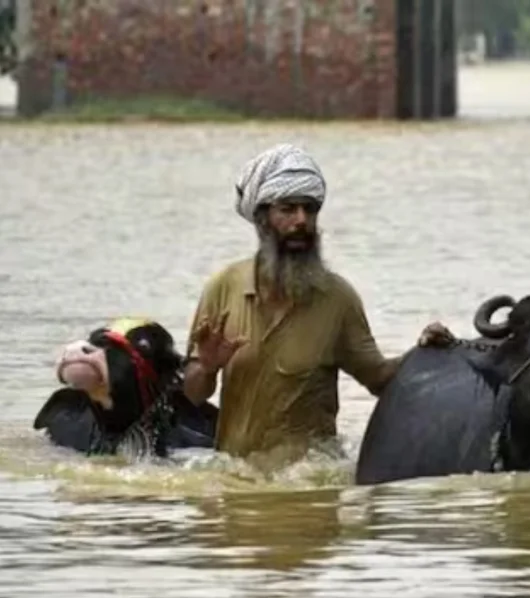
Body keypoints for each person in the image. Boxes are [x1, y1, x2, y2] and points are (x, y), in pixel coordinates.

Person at [180, 144, 451, 463]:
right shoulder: (222, 288)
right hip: (237, 483)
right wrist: (208, 367)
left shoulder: (337, 299)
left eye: (310, 209)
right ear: (263, 219)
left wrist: (423, 354)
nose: (301, 220)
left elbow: (379, 380)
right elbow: (191, 396)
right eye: (288, 209)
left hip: (310, 486)